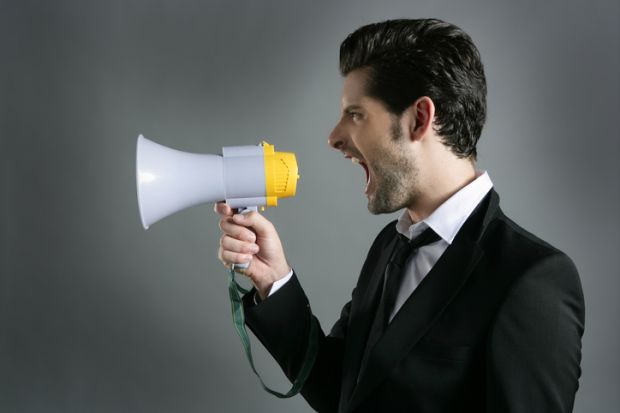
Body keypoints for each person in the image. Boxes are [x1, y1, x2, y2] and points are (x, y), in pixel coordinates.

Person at [215, 18, 584, 413]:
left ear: (420, 119)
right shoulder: (391, 246)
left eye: (355, 114)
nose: (334, 137)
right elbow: (343, 392)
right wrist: (275, 282)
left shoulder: (533, 280)